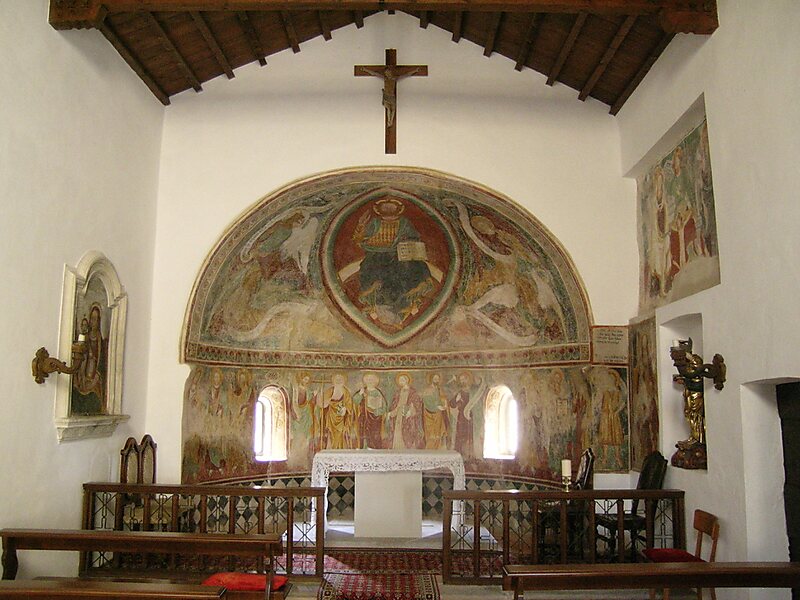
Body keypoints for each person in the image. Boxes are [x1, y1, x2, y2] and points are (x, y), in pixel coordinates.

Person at [352, 196, 433, 320]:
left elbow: (415, 237)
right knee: (369, 268)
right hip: (377, 254)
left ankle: (409, 301)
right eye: (385, 208)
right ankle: (375, 301)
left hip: (399, 253)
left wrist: (405, 240)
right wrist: (361, 225)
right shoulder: (375, 222)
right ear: (379, 210)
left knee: (414, 267)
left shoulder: (404, 223)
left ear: (398, 209)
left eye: (391, 208)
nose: (388, 210)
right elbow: (361, 239)